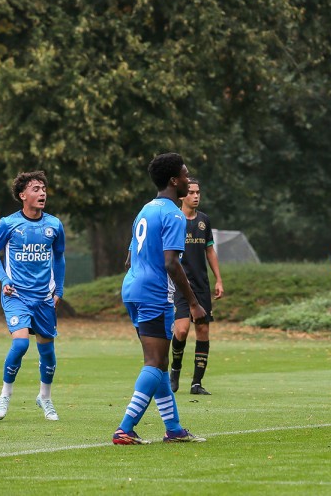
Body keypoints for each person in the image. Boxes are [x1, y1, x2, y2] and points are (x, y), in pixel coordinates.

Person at [113, 153, 206, 445]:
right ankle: (125, 428)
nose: (189, 180)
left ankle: (174, 428)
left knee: (160, 362)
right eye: (185, 175)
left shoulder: (145, 210)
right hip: (154, 293)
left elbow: (129, 258)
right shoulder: (173, 214)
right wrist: (192, 302)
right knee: (154, 362)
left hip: (132, 289)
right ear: (173, 180)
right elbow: (171, 263)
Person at [0, 171, 66, 422]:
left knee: (48, 353)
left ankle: (45, 398)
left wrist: (59, 291)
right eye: (35, 189)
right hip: (16, 295)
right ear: (23, 195)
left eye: (43, 188)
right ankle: (5, 394)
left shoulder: (54, 225)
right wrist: (5, 280)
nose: (42, 193)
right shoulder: (8, 224)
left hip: (44, 298)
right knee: (20, 343)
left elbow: (59, 258)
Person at [169, 178, 224, 396]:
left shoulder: (204, 221)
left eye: (198, 192)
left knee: (202, 330)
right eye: (191, 192)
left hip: (201, 285)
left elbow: (210, 250)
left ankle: (196, 383)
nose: (196, 196)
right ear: (182, 195)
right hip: (180, 286)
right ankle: (175, 370)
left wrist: (218, 279)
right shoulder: (174, 219)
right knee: (181, 330)